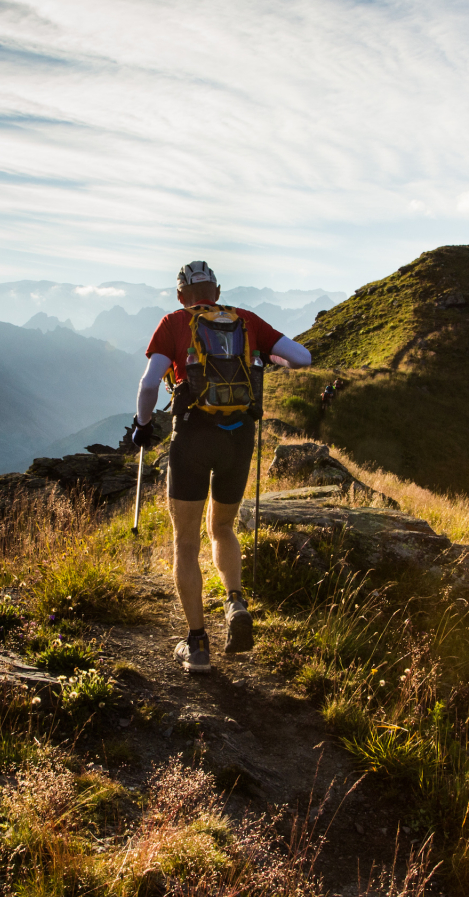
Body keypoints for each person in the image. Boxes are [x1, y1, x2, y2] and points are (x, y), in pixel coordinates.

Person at [129, 261, 313, 673]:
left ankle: (196, 645)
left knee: (186, 542)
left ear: (181, 296)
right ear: (217, 288)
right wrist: (270, 358)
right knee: (224, 527)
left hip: (193, 437)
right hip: (239, 437)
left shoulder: (174, 323)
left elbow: (147, 385)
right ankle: (234, 602)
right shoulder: (246, 321)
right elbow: (303, 357)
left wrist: (143, 427)